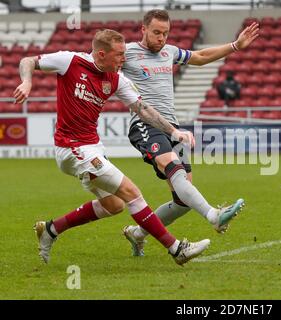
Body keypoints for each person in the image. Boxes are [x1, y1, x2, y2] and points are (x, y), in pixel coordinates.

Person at [13, 29, 210, 265]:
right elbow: (28, 61)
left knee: (114, 205)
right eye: (119, 55)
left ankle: (51, 229)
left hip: (93, 146)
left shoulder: (116, 79)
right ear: (102, 54)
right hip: (71, 147)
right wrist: (27, 81)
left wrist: (174, 131)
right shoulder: (70, 61)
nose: (123, 59)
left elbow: (143, 109)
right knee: (132, 193)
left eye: (125, 54)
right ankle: (177, 249)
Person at [120, 10, 258, 257]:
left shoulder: (169, 52)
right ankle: (213, 215)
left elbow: (202, 56)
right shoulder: (127, 52)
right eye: (156, 33)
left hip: (173, 128)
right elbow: (95, 62)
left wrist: (236, 45)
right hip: (145, 124)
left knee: (183, 201)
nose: (161, 38)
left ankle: (137, 233)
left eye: (165, 33)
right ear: (143, 29)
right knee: (174, 169)